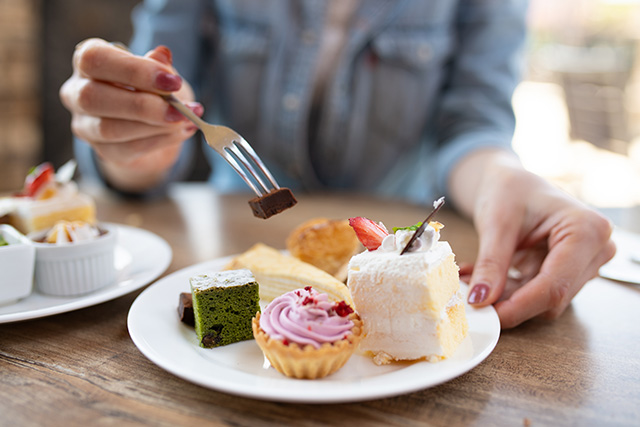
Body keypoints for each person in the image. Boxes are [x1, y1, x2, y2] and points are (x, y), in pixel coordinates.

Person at [59, 0, 615, 328]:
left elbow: (472, 123)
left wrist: (502, 177)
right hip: (227, 234)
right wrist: (135, 146)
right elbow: (157, 99)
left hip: (404, 246)